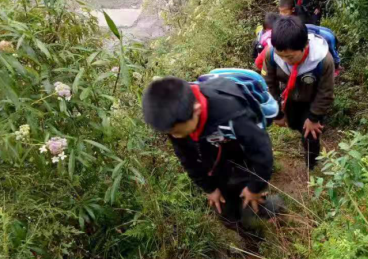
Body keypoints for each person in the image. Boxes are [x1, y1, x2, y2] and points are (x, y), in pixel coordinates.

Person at [142, 76, 277, 227]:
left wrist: (254, 187)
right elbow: (187, 158)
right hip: (213, 151)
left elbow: (261, 150)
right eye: (170, 133)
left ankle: (273, 211)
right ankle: (238, 224)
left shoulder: (232, 113)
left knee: (250, 195)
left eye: (177, 132)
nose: (175, 137)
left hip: (240, 150)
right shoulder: (176, 120)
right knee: (226, 207)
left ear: (196, 110)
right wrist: (209, 188)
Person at [264, 16, 334, 169]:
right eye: (281, 55)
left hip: (312, 100)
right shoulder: (271, 55)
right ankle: (301, 127)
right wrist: (277, 113)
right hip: (290, 98)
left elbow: (326, 92)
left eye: (290, 56)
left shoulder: (322, 60)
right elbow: (268, 83)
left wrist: (314, 118)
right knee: (295, 124)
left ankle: (312, 167)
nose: (285, 60)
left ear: (305, 45)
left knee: (310, 134)